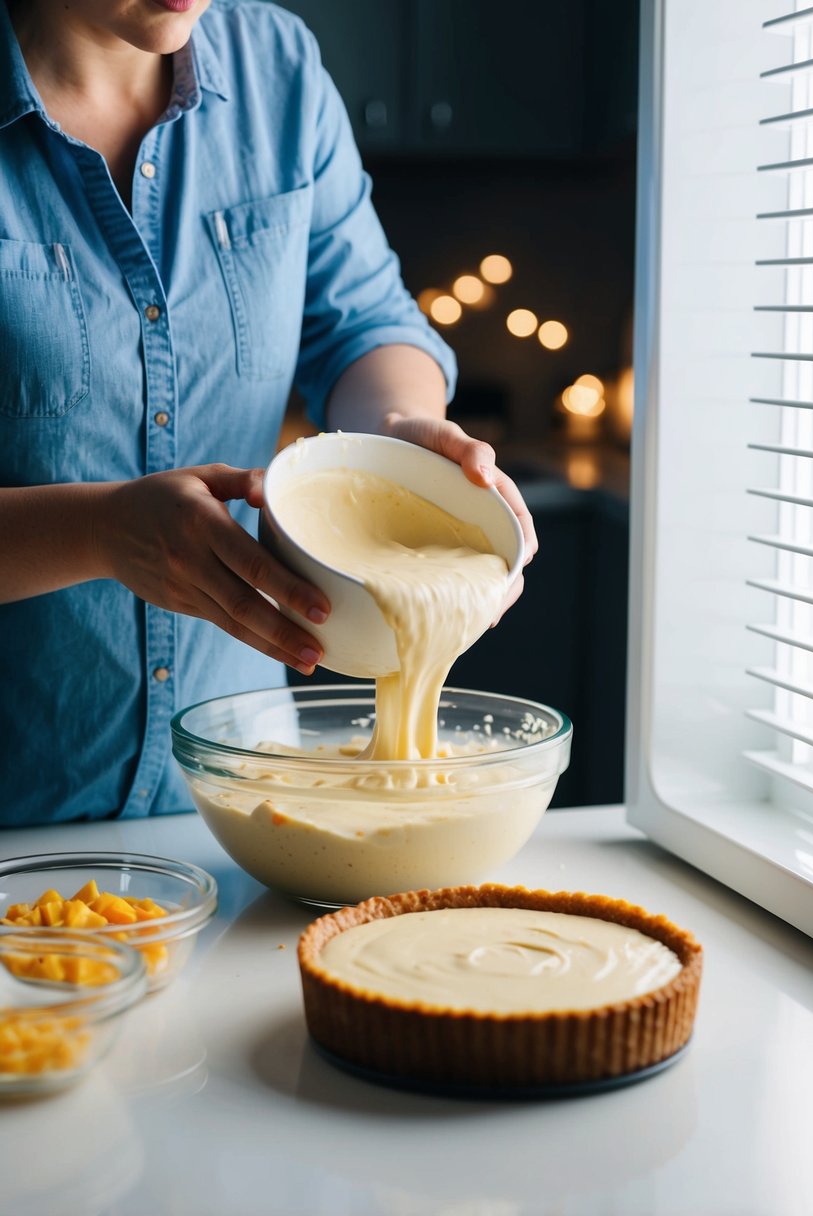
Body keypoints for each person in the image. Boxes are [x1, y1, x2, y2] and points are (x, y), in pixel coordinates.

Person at [0, 0, 537, 826]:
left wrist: (397, 435)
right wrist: (98, 532)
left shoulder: (275, 68)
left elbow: (361, 322)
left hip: (236, 808)